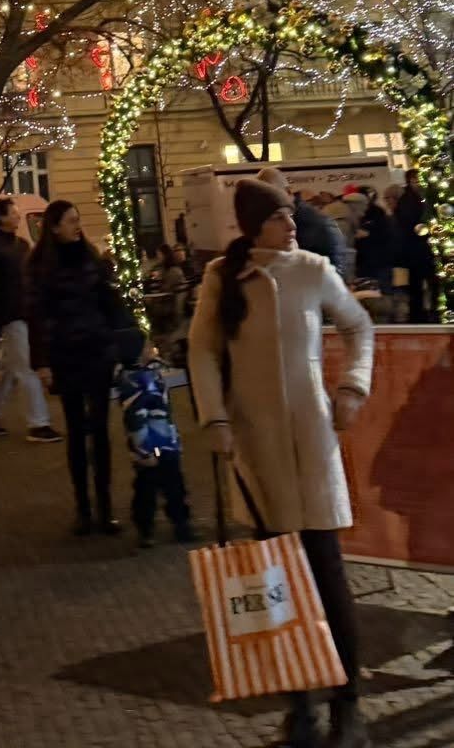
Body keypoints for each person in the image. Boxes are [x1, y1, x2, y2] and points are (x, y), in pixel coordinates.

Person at [189, 180, 373, 748]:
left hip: (312, 444)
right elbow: (202, 350)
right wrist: (216, 418)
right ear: (253, 225)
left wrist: (352, 386)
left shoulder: (313, 270)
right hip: (258, 449)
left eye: (290, 214)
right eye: (278, 217)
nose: (291, 224)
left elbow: (358, 326)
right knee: (277, 586)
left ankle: (347, 705)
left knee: (329, 578)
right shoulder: (222, 277)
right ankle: (299, 708)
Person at [26, 199, 123, 536]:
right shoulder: (40, 266)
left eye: (78, 220)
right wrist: (42, 362)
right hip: (66, 355)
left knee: (100, 430)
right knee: (76, 431)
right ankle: (83, 508)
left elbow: (108, 302)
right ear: (54, 228)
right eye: (70, 221)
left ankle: (105, 508)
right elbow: (36, 316)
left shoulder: (90, 257)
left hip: (96, 351)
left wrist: (118, 339)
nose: (77, 226)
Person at [0, 197, 61, 443]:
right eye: (13, 213)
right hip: (12, 314)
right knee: (26, 368)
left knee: (9, 368)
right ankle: (38, 423)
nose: (18, 216)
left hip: (22, 313)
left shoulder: (16, 246)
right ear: (2, 217)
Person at [117, 345, 194, 548]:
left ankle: (180, 524)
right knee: (149, 487)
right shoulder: (135, 382)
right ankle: (147, 528)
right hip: (152, 446)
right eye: (146, 346)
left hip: (165, 441)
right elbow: (135, 419)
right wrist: (143, 450)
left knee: (173, 485)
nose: (152, 349)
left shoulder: (151, 374)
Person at [257, 166, 347, 274]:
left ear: (288, 192)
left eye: (272, 195)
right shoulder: (304, 217)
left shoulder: (309, 222)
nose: (267, 201)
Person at [388, 174, 439, 323]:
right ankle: (423, 315)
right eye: (414, 181)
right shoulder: (410, 201)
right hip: (417, 251)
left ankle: (422, 314)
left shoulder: (412, 200)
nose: (418, 184)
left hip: (417, 251)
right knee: (421, 285)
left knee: (420, 286)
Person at [354, 187, 395, 293]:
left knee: (382, 289)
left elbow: (385, 234)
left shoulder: (377, 212)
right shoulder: (356, 214)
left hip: (378, 259)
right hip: (364, 260)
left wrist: (368, 234)